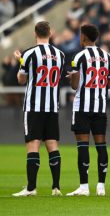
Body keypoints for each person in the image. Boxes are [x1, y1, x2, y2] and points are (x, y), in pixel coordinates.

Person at [12, 21, 65, 196]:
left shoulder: (28, 54)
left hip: (34, 105)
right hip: (52, 106)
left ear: (35, 33)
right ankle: (56, 187)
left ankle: (31, 188)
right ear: (50, 33)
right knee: (52, 145)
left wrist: (19, 62)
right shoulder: (60, 54)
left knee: (33, 145)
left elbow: (21, 79)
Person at [66, 24, 110, 196]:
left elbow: (74, 85)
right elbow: (108, 83)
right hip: (100, 107)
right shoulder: (107, 57)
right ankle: (101, 186)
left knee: (82, 146)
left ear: (84, 37)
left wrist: (73, 77)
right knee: (101, 145)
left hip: (82, 107)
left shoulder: (79, 57)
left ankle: (84, 187)